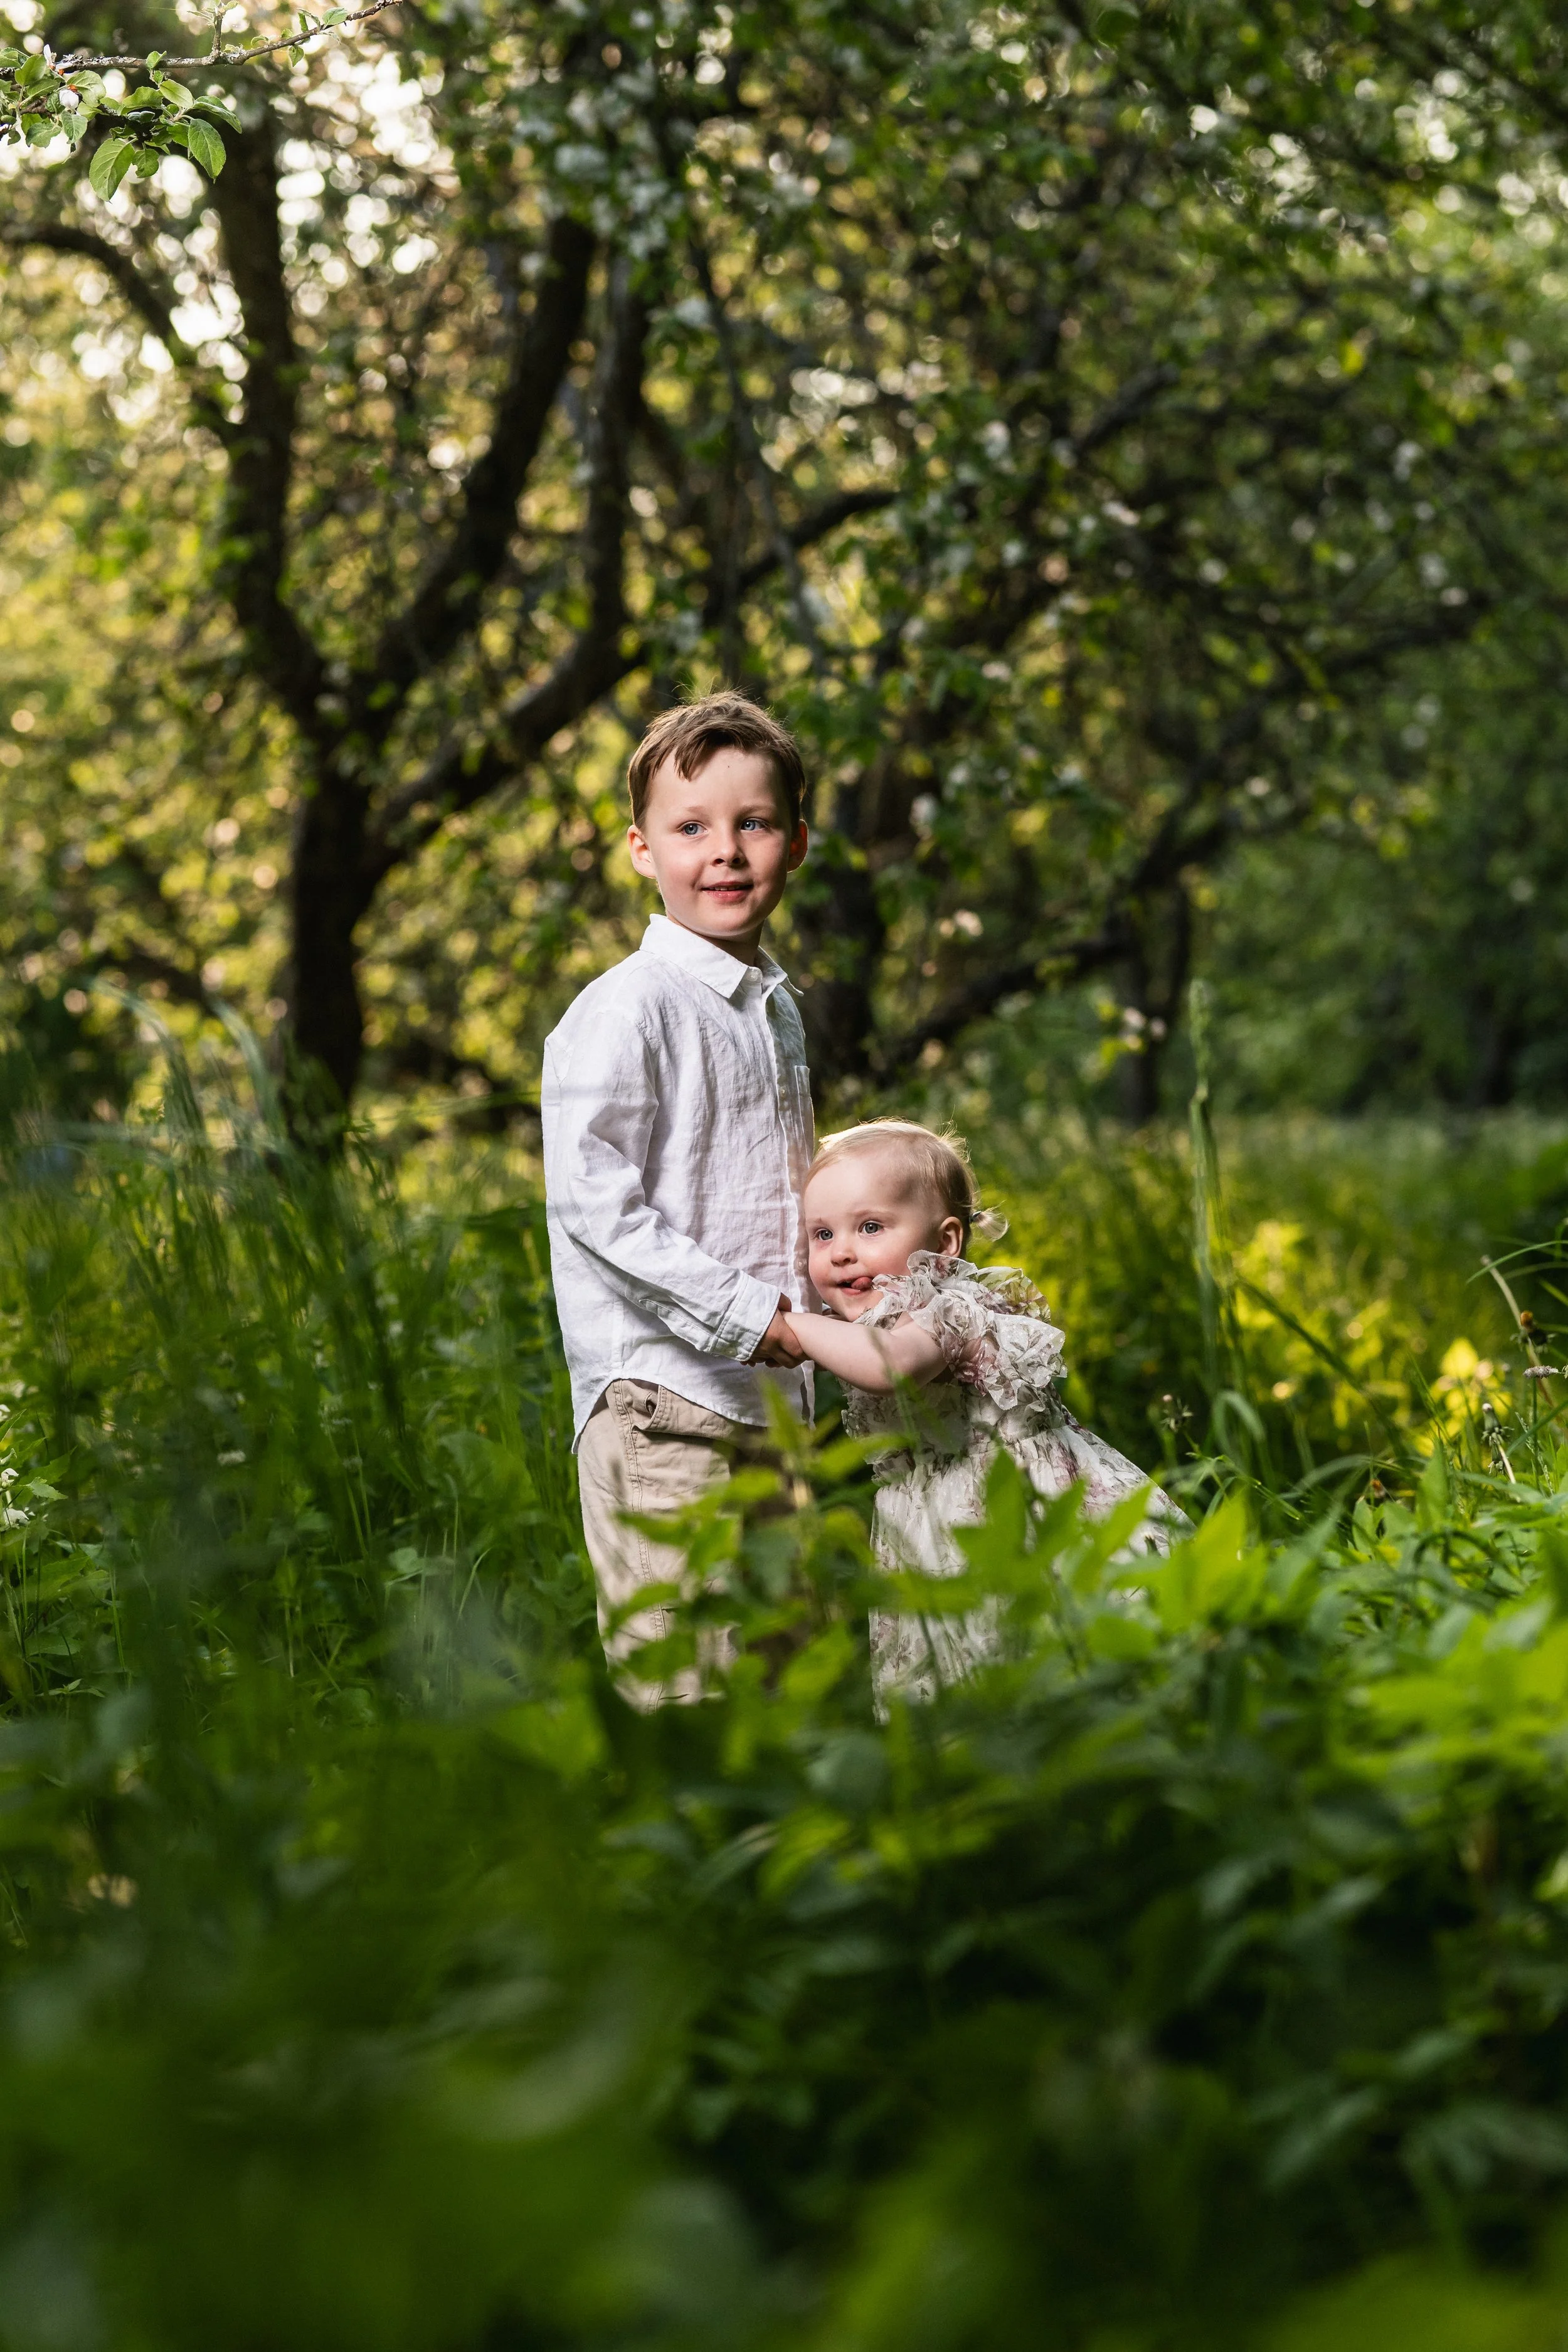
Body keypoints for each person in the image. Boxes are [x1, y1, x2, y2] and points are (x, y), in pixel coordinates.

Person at [542, 692, 814, 1705]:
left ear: (796, 842)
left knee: (785, 1680)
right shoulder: (628, 1009)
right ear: (641, 850)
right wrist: (755, 1317)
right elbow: (593, 1204)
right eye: (691, 827)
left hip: (774, 1406)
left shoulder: (773, 1011)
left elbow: (780, 1200)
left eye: (754, 823)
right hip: (662, 1405)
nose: (727, 852)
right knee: (686, 1684)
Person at [782, 1120, 1184, 1702]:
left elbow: (889, 1365)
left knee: (1036, 1650)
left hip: (1011, 1507)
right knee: (958, 1667)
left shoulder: (947, 1308)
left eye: (870, 1227)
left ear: (945, 1243)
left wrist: (794, 1323)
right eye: (821, 1235)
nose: (842, 1253)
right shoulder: (876, 1322)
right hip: (932, 1520)